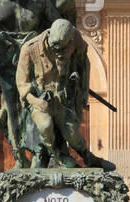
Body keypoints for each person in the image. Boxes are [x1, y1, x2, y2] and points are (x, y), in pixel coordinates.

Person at [15, 18, 113, 170]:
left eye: (64, 47)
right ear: (49, 36)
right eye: (55, 46)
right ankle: (56, 155)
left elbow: (83, 62)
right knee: (45, 125)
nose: (59, 51)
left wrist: (81, 86)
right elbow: (22, 82)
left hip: (63, 98)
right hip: (40, 99)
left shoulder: (75, 40)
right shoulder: (30, 48)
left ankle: (89, 158)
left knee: (73, 134)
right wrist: (34, 101)